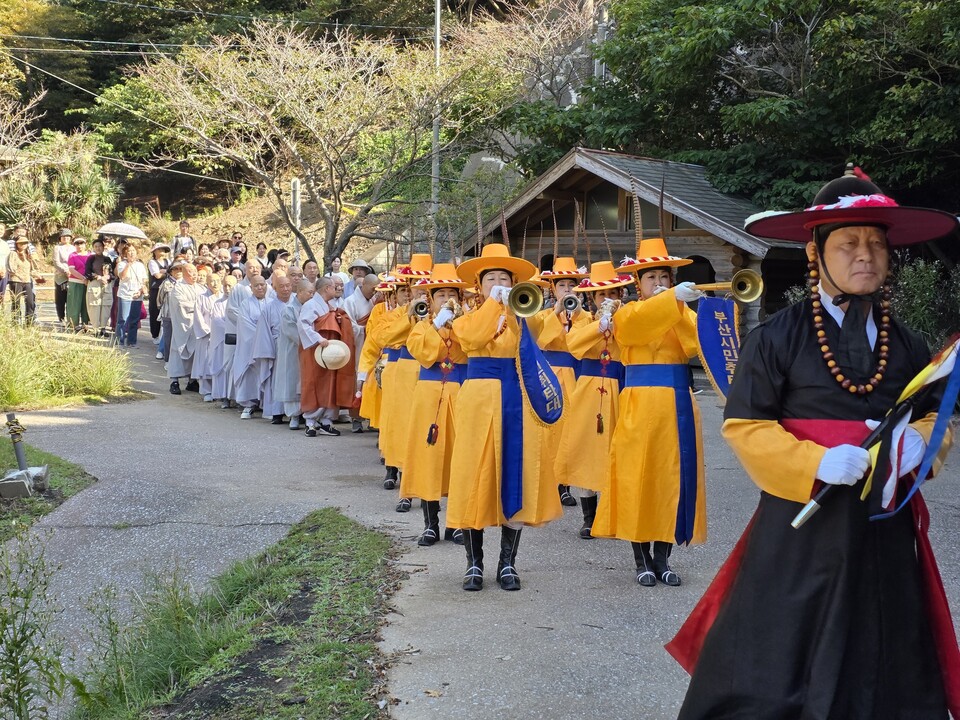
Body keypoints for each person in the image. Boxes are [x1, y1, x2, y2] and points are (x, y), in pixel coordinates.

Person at [672, 167, 960, 719]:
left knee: (889, 649)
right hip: (803, 523)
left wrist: (921, 447)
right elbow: (746, 426)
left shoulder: (909, 343)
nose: (866, 256)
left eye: (876, 244)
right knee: (779, 661)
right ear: (816, 251)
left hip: (884, 524)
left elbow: (937, 416)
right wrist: (817, 460)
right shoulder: (775, 337)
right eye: (849, 243)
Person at [446, 243, 564, 592]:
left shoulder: (527, 315)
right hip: (479, 399)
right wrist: (496, 303)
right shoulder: (466, 318)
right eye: (491, 279)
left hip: (518, 398)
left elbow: (539, 334)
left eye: (504, 279)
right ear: (479, 286)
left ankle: (508, 563)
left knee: (519, 473)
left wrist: (513, 309)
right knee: (474, 476)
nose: (498, 283)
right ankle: (473, 563)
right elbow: (473, 337)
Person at [590, 238, 706, 587]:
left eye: (663, 277)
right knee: (636, 480)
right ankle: (640, 558)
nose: (658, 282)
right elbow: (637, 325)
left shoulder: (679, 312)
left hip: (677, 404)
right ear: (637, 284)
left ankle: (663, 558)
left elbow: (696, 343)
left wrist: (682, 307)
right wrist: (671, 301)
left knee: (672, 480)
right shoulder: (626, 313)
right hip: (639, 405)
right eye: (650, 277)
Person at [555, 261, 632, 539]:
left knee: (618, 449)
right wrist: (598, 326)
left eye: (613, 293)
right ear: (592, 298)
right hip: (589, 388)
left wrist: (618, 322)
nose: (608, 299)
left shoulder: (629, 317)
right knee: (589, 449)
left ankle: (616, 514)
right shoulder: (584, 320)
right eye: (602, 295)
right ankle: (589, 518)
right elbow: (573, 346)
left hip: (622, 385)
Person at [399, 265, 468, 546]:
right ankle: (430, 523)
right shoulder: (421, 327)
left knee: (459, 455)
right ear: (432, 299)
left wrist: (458, 323)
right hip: (429, 393)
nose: (447, 299)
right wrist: (437, 324)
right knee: (428, 455)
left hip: (461, 390)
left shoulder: (468, 323)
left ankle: (457, 522)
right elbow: (421, 353)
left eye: (452, 294)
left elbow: (472, 347)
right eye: (441, 295)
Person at [531, 257, 589, 508]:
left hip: (575, 375)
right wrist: (556, 314)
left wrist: (576, 316)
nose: (567, 290)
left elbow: (584, 346)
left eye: (571, 285)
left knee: (570, 430)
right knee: (547, 430)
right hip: (549, 373)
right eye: (562, 285)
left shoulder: (585, 316)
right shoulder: (543, 314)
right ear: (552, 289)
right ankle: (545, 482)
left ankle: (564, 484)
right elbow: (540, 342)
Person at [376, 255, 433, 509]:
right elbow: (382, 337)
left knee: (426, 430)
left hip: (431, 374)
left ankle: (427, 483)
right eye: (415, 290)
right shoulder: (398, 313)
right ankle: (398, 474)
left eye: (425, 291)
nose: (420, 295)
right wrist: (409, 316)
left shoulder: (440, 313)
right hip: (405, 370)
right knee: (401, 425)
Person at [297, 277, 349, 436]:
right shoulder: (311, 305)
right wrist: (319, 339)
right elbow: (303, 324)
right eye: (334, 287)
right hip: (314, 349)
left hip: (330, 351)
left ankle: (327, 420)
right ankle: (310, 421)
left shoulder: (330, 306)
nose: (337, 289)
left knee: (330, 383)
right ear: (327, 288)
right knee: (313, 383)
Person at [342, 273, 380, 432]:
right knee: (357, 381)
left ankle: (371, 417)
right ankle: (356, 419)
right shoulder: (349, 301)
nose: (374, 292)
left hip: (372, 346)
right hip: (357, 345)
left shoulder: (374, 302)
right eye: (372, 289)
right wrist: (367, 330)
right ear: (363, 285)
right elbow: (348, 326)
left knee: (372, 380)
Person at [253, 272, 292, 423]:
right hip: (278, 347)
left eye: (288, 285)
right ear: (274, 288)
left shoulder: (298, 303)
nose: (285, 289)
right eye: (281, 286)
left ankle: (297, 412)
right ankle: (277, 412)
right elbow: (264, 332)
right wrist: (269, 352)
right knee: (277, 380)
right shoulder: (269, 308)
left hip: (295, 347)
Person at [276, 279, 312, 430]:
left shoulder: (311, 308)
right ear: (300, 292)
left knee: (306, 381)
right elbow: (292, 332)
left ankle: (308, 413)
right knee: (292, 381)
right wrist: (311, 342)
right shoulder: (289, 309)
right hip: (293, 350)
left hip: (308, 351)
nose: (312, 295)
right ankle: (293, 416)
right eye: (309, 292)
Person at [233, 275, 269, 418]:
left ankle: (267, 404)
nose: (260, 287)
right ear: (251, 288)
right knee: (249, 374)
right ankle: (249, 405)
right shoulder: (245, 304)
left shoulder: (272, 303)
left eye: (262, 284)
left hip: (269, 346)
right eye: (256, 285)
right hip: (251, 346)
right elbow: (245, 325)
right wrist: (263, 337)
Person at [168, 263, 201, 394]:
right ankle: (174, 381)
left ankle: (192, 381)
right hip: (183, 325)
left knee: (195, 353)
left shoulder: (200, 288)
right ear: (184, 272)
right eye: (190, 272)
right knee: (178, 351)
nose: (194, 274)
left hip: (196, 326)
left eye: (195, 272)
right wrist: (198, 306)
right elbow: (181, 304)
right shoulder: (178, 287)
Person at [191, 271, 221, 401]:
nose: (215, 283)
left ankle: (218, 389)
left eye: (217, 281)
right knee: (204, 361)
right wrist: (207, 330)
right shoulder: (201, 297)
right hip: (206, 335)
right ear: (207, 283)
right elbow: (197, 316)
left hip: (220, 336)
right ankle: (206, 390)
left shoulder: (224, 297)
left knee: (218, 361)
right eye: (212, 281)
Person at [115, 245, 148, 348]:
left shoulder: (140, 265)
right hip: (125, 294)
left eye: (133, 251)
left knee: (134, 319)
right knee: (123, 319)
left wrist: (141, 291)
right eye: (129, 251)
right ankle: (119, 341)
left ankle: (132, 342)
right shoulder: (121, 264)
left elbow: (143, 280)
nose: (131, 253)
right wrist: (128, 265)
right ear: (125, 253)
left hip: (137, 295)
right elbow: (122, 276)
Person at [84, 238, 114, 336]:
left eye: (100, 246)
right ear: (93, 248)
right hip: (95, 283)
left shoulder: (107, 259)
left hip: (106, 284)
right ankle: (95, 328)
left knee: (106, 306)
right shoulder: (91, 258)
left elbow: (112, 273)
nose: (98, 248)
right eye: (96, 246)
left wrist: (107, 277)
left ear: (103, 247)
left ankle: (103, 328)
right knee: (94, 305)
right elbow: (87, 272)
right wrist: (98, 277)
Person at [7, 235, 38, 325]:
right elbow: (10, 267)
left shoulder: (28, 255)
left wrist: (37, 276)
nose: (23, 244)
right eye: (21, 243)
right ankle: (16, 322)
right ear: (17, 244)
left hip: (27, 281)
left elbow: (33, 269)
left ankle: (29, 321)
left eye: (25, 243)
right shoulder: (13, 254)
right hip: (16, 280)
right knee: (16, 302)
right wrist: (18, 275)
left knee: (30, 301)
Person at [66, 237, 91, 331]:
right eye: (77, 244)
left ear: (85, 244)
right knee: (74, 304)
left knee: (86, 304)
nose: (79, 246)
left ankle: (86, 324)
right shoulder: (72, 255)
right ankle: (74, 324)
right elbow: (72, 269)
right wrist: (82, 278)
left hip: (88, 282)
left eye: (81, 243)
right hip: (76, 282)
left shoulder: (90, 255)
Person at [148, 243, 171, 344]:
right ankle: (155, 335)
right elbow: (157, 275)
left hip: (167, 288)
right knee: (154, 311)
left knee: (166, 311)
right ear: (154, 251)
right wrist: (167, 272)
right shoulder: (152, 262)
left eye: (163, 249)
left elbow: (171, 272)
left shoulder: (168, 261)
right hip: (156, 289)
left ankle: (163, 334)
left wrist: (164, 272)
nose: (161, 251)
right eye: (159, 249)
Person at [52, 228, 74, 326]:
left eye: (68, 236)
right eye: (64, 236)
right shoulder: (57, 248)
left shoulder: (73, 248)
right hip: (61, 276)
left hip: (73, 275)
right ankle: (61, 318)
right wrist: (65, 271)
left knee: (71, 298)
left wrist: (72, 272)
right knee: (61, 298)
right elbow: (56, 262)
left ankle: (71, 318)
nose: (66, 238)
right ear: (60, 238)